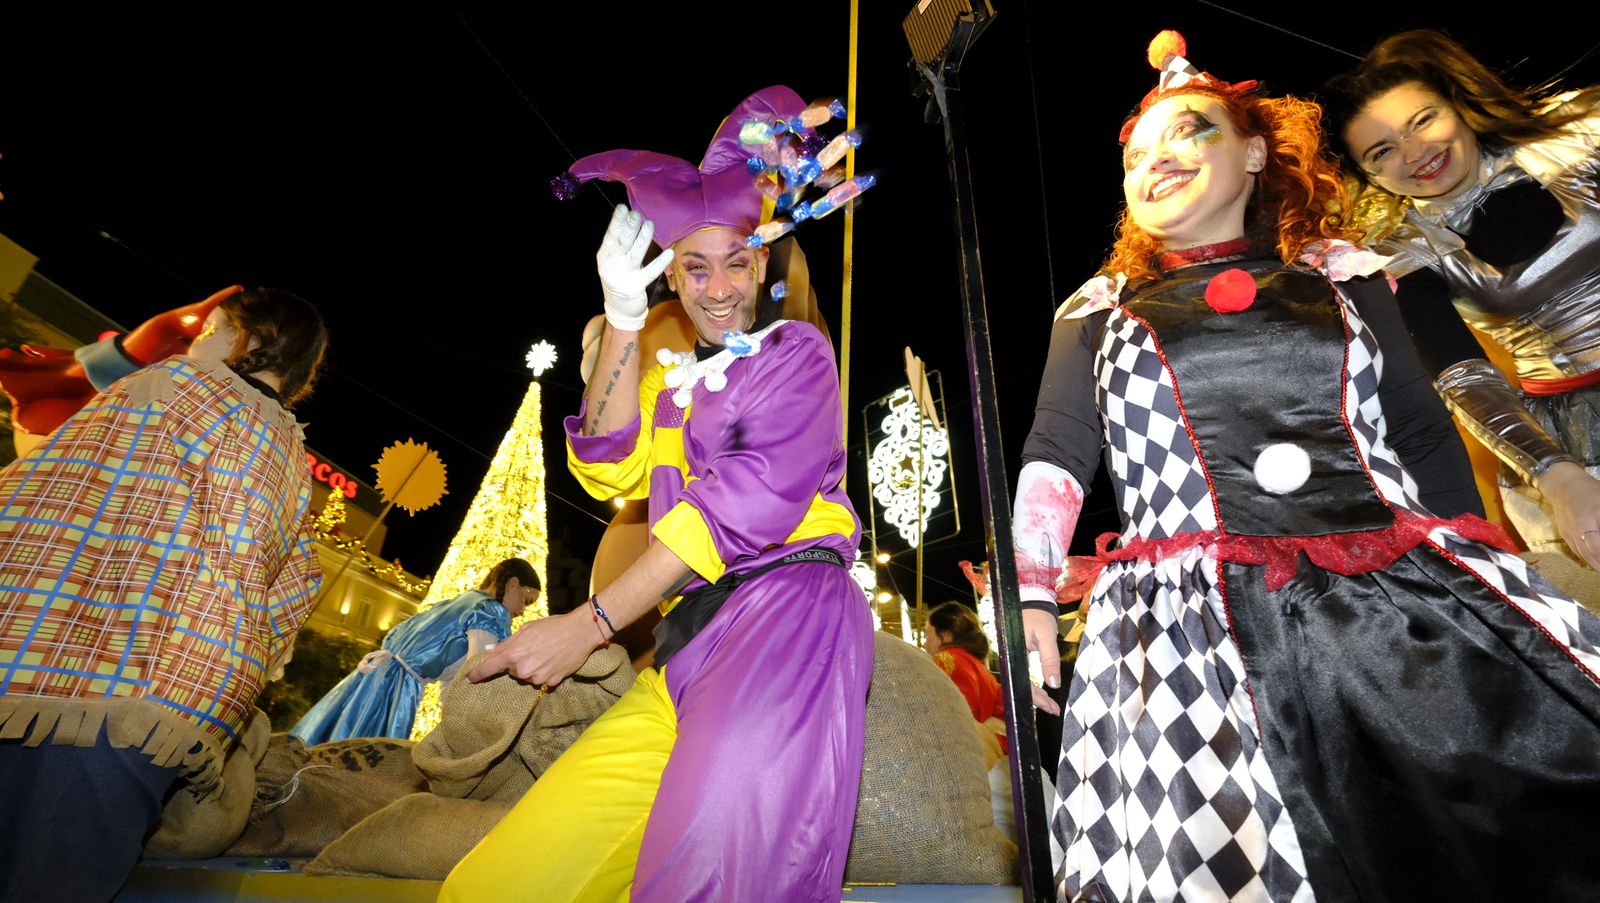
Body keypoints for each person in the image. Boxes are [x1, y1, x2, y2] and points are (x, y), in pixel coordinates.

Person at [1013, 31, 1600, 901]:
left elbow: (1422, 432)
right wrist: (1028, 592)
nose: (1155, 160)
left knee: (1487, 827)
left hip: (1393, 606)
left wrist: (1486, 562)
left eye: (1188, 132)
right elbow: (1057, 456)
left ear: (1255, 153)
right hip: (1190, 638)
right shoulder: (1098, 309)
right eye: (1136, 155)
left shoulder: (1345, 273)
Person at [442, 86, 871, 903]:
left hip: (785, 621)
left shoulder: (795, 353)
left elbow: (736, 508)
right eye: (695, 267)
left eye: (736, 262)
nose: (718, 288)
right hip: (680, 649)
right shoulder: (676, 386)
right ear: (670, 272)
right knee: (494, 887)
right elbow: (607, 468)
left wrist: (590, 623)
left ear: (762, 261)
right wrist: (622, 320)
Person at [0, 286, 328, 903]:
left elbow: (51, 483)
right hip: (181, 702)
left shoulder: (170, 385)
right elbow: (297, 584)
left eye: (210, 330)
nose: (196, 342)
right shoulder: (292, 457)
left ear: (250, 338)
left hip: (64, 670)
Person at [1321, 30, 1600, 575]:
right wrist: (1558, 478)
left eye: (1423, 120)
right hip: (1569, 440)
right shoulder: (1400, 252)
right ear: (1366, 175)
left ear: (1457, 106)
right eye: (1382, 151)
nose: (1414, 154)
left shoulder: (1578, 137)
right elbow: (1462, 375)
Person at [290, 557, 540, 744]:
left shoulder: (461, 601)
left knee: (332, 736)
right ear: (512, 584)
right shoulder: (491, 612)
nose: (521, 611)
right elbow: (477, 670)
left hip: (374, 676)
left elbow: (458, 676)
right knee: (370, 755)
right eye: (525, 601)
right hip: (396, 689)